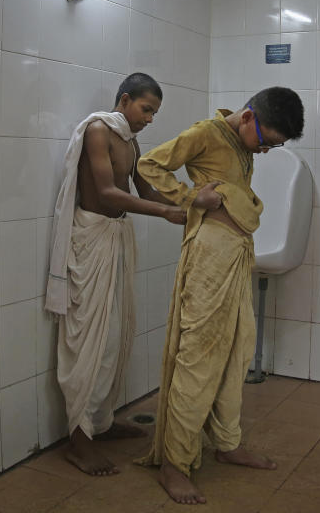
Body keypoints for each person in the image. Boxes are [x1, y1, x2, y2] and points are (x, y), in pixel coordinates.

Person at [135, 86, 305, 504]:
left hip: (236, 257)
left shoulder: (239, 140)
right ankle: (175, 462)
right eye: (266, 141)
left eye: (274, 147)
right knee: (199, 357)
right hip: (209, 258)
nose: (265, 151)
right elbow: (148, 165)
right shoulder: (206, 133)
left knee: (236, 352)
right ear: (248, 118)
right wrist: (192, 197)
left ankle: (227, 443)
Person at [44, 72, 187, 477]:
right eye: (146, 109)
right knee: (88, 338)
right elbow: (106, 192)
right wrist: (164, 212)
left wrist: (189, 205)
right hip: (92, 242)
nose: (150, 119)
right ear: (124, 100)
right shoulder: (98, 131)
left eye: (155, 112)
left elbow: (144, 190)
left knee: (115, 336)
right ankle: (78, 441)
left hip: (116, 241)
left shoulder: (130, 140)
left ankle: (100, 424)